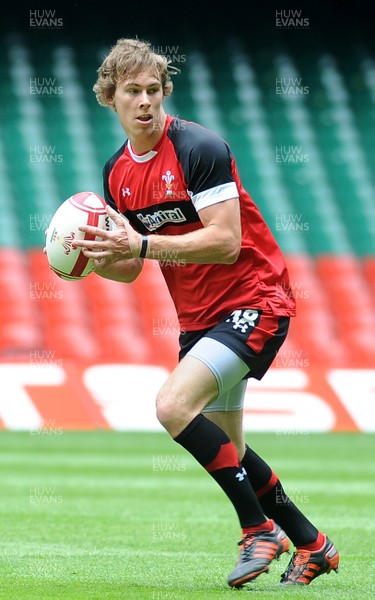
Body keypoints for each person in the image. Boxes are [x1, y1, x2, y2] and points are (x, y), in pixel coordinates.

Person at [74, 38, 339, 588]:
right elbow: (127, 267)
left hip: (255, 299)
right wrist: (89, 258)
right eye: (132, 92)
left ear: (164, 92)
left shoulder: (198, 147)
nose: (145, 101)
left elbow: (224, 241)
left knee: (172, 405)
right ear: (110, 99)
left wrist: (141, 246)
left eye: (154, 90)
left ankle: (257, 530)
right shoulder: (116, 173)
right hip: (199, 319)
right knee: (233, 452)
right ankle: (313, 544)